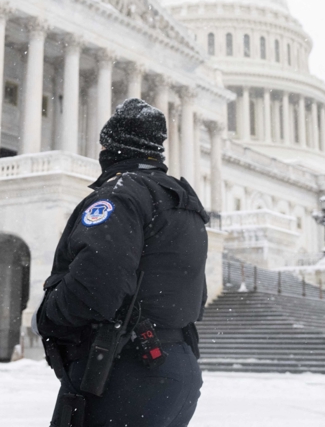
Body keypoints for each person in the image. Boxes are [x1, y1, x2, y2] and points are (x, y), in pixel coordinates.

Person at [35, 98, 209, 427]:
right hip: (175, 366)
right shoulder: (184, 203)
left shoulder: (121, 194)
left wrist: (48, 315)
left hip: (124, 367)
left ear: (111, 146)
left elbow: (96, 284)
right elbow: (196, 294)